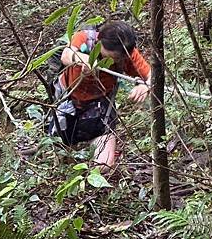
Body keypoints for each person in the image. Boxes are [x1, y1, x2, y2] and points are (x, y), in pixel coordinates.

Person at [50, 20, 151, 169]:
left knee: (104, 166)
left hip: (100, 106)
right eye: (111, 57)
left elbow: (151, 74)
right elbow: (66, 54)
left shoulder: (127, 54)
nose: (112, 61)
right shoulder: (85, 38)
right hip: (68, 101)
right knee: (63, 161)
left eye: (117, 59)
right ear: (99, 42)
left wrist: (145, 85)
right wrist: (84, 60)